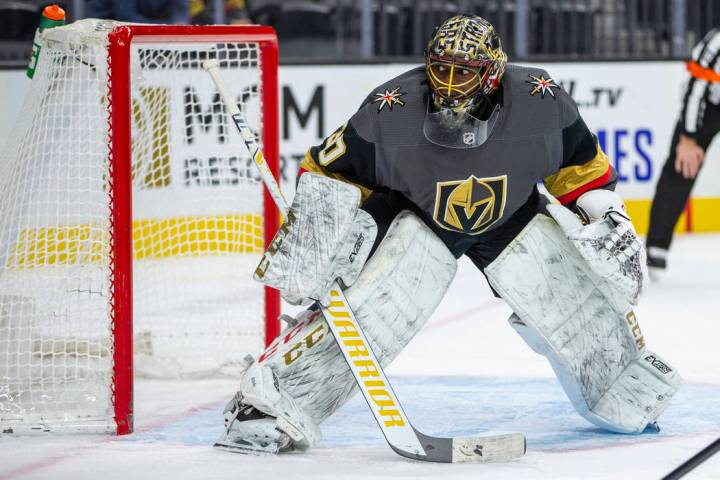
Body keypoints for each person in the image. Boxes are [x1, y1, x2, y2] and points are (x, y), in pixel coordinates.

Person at [215, 15, 681, 455]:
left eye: (465, 71)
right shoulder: (390, 108)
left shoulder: (541, 99)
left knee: (568, 298)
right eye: (441, 68)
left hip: (510, 212)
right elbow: (329, 170)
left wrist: (606, 216)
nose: (450, 83)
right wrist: (319, 240)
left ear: (494, 72)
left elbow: (582, 171)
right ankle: (269, 402)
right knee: (375, 309)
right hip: (417, 212)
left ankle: (621, 386)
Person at [646, 28, 720, 277]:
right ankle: (656, 247)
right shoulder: (717, 42)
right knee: (681, 167)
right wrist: (688, 138)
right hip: (708, 106)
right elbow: (694, 89)